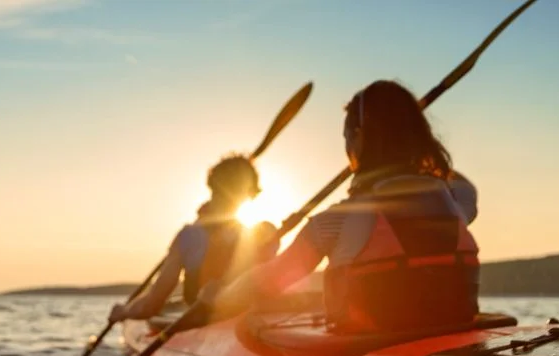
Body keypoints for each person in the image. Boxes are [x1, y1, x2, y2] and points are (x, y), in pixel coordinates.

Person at [202, 80, 481, 333]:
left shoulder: (338, 221)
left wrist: (218, 298)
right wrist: (415, 146)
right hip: (451, 323)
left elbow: (268, 280)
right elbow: (463, 185)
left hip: (371, 338)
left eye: (346, 137)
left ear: (358, 140)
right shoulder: (452, 201)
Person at [107, 154, 279, 324]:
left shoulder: (188, 237)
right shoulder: (264, 234)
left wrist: (124, 311)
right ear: (250, 194)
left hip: (210, 320)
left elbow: (151, 305)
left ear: (212, 187)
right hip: (248, 322)